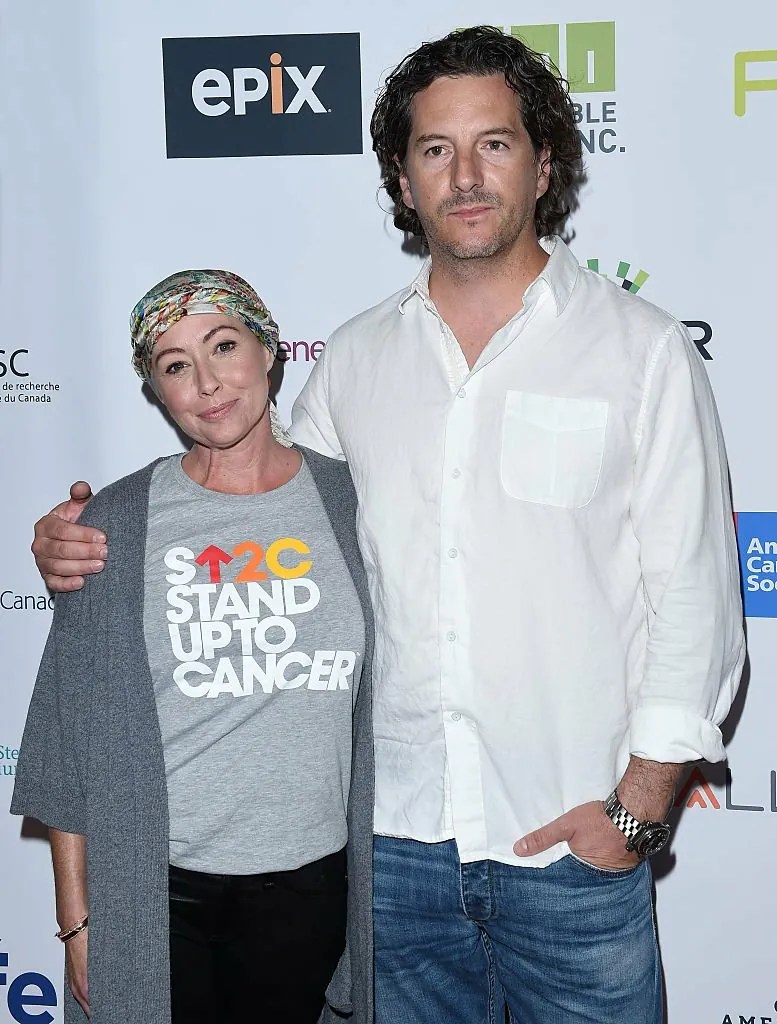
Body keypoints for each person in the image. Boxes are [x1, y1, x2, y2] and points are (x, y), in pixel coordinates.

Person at [31, 26, 745, 1024]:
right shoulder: (358, 362)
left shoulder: (642, 351)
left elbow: (699, 599)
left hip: (570, 853)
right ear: (402, 181)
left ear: (544, 163)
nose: (464, 174)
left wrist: (635, 812)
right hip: (392, 865)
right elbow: (253, 492)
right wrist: (85, 537)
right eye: (434, 149)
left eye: (493, 143)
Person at [14, 269, 375, 1024]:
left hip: (313, 888)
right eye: (176, 364)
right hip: (159, 893)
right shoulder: (115, 521)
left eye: (223, 345)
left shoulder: (353, 503)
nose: (208, 383)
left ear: (268, 350)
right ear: (156, 388)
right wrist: (79, 924)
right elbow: (69, 745)